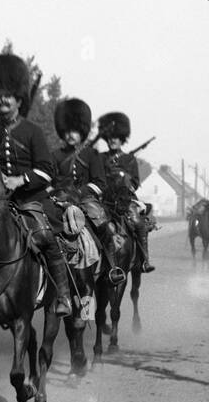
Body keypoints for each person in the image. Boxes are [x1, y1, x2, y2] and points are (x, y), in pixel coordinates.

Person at [0, 53, 75, 317]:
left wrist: (20, 180)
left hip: (30, 200)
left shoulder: (32, 131)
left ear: (19, 98)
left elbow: (46, 171)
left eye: (8, 94)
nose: (2, 99)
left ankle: (64, 296)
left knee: (46, 237)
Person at [97, 112, 156, 273]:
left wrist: (124, 178)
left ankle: (144, 260)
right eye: (109, 137)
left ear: (122, 139)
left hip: (124, 200)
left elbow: (135, 183)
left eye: (115, 137)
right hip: (103, 199)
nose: (112, 140)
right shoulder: (100, 158)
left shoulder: (129, 160)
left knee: (138, 222)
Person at [49, 98, 110, 238]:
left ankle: (110, 259)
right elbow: (49, 183)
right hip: (60, 201)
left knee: (103, 228)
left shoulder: (92, 154)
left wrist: (78, 192)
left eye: (75, 131)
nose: (70, 135)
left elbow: (100, 184)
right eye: (67, 131)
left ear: (82, 131)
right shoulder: (55, 155)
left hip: (85, 201)